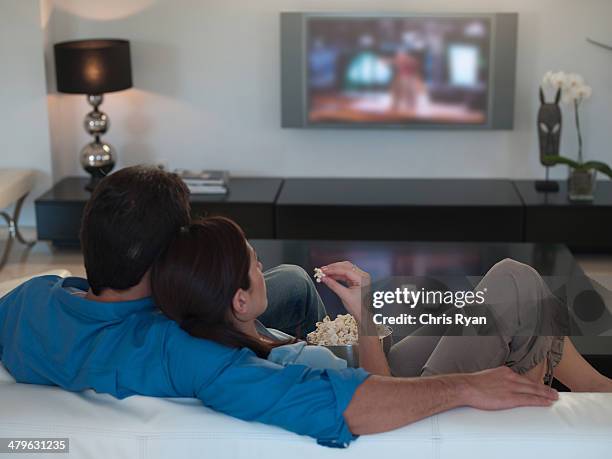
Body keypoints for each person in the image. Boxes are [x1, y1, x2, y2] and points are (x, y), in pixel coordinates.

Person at [0, 166, 558, 448]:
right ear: (164, 261)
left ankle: (552, 350)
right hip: (339, 370)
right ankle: (561, 370)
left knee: (290, 282)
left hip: (262, 329)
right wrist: (464, 387)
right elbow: (341, 407)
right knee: (514, 291)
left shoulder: (32, 300)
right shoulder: (180, 350)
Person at [151, 216, 612, 394]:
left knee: (489, 301)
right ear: (239, 299)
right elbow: (385, 395)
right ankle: (567, 393)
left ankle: (584, 386)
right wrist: (365, 315)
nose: (261, 263)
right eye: (253, 262)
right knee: (512, 281)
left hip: (377, 375)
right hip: (411, 402)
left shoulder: (223, 331)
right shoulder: (296, 358)